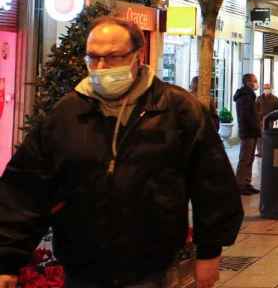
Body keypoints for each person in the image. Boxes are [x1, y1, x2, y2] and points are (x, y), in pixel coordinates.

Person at [0, 17, 243, 288]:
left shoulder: (176, 109)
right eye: (93, 58)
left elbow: (212, 184)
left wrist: (209, 252)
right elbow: (25, 188)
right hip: (81, 268)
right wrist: (7, 260)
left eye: (113, 57)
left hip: (152, 269)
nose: (101, 67)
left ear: (137, 56)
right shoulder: (67, 113)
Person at [234, 73, 260, 195]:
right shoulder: (245, 96)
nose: (256, 83)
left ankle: (246, 183)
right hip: (248, 132)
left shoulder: (249, 96)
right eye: (255, 81)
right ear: (248, 82)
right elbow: (247, 116)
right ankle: (240, 184)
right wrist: (255, 126)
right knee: (245, 158)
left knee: (250, 158)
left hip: (251, 132)